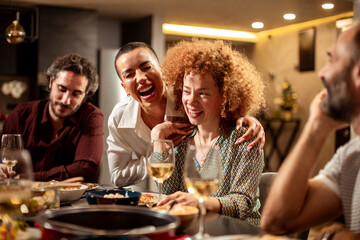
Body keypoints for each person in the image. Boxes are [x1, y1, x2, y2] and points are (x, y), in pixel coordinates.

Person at [107, 42, 266, 188]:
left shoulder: (186, 100)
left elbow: (222, 106)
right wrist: (159, 151)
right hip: (164, 196)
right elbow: (118, 176)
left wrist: (246, 118)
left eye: (146, 67)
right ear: (124, 88)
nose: (141, 78)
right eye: (129, 75)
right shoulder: (119, 118)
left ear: (161, 70)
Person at [261, 23, 360, 239]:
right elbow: (276, 221)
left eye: (332, 60)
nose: (322, 73)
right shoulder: (351, 156)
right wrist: (316, 126)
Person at [152, 39, 265, 226]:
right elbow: (168, 191)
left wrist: (199, 202)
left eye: (203, 94)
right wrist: (158, 140)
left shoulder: (244, 139)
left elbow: (242, 204)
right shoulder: (182, 139)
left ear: (226, 96)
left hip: (239, 234)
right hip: (197, 230)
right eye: (187, 91)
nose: (191, 101)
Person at [1, 54, 104, 182]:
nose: (66, 100)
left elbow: (86, 170)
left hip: (72, 201)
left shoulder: (91, 116)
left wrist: (27, 178)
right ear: (50, 82)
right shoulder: (20, 115)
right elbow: (4, 160)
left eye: (76, 94)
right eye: (61, 89)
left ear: (86, 95)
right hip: (22, 197)